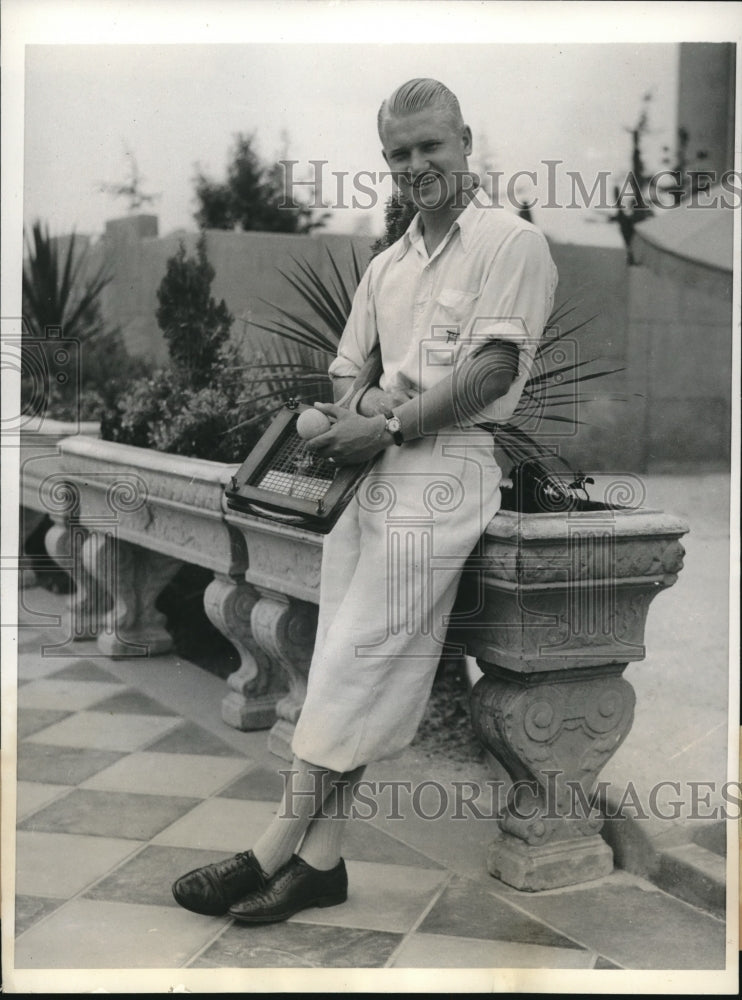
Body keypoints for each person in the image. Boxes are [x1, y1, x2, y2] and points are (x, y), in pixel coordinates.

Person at [172, 77, 558, 924]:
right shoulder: (388, 264)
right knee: (349, 665)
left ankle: (273, 848)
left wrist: (385, 423)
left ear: (465, 139)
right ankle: (322, 862)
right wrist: (356, 409)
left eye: (431, 146)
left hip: (447, 474)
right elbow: (351, 370)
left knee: (355, 667)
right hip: (370, 481)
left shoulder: (511, 245)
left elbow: (492, 373)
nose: (416, 165)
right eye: (398, 154)